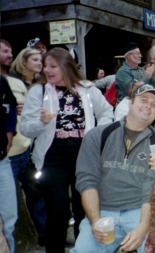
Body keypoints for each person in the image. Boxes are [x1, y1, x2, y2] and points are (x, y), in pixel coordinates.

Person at [20, 47, 113, 253]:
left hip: (84, 152)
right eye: (45, 66)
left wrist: (96, 133)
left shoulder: (87, 89)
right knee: (57, 211)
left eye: (53, 66)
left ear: (66, 66)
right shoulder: (39, 91)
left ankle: (84, 249)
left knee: (84, 209)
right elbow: (26, 129)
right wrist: (41, 122)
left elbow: (107, 111)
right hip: (52, 155)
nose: (47, 70)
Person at [72, 85, 155, 253]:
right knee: (83, 249)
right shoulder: (98, 135)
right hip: (103, 209)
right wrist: (95, 221)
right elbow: (87, 181)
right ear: (130, 103)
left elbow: (151, 188)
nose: (148, 106)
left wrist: (143, 227)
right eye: (144, 100)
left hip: (139, 210)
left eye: (154, 104)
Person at [8, 46, 47, 245]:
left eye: (41, 60)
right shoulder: (12, 83)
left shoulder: (44, 84)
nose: (39, 64)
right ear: (23, 62)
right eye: (35, 60)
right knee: (12, 198)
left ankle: (44, 234)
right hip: (15, 146)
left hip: (35, 146)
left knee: (36, 190)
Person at [0, 73, 18, 253]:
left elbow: (11, 108)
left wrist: (10, 132)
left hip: (2, 161)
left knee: (9, 220)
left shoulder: (1, 82)